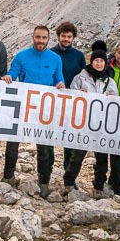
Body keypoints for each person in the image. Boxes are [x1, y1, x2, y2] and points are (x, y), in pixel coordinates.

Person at [1, 25, 65, 197]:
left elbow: (59, 78)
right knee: (12, 142)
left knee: (43, 147)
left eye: (44, 38)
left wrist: (60, 84)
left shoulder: (55, 59)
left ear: (48, 39)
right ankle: (8, 176)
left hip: (43, 110)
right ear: (33, 37)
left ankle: (43, 182)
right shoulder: (21, 56)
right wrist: (8, 77)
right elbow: (12, 73)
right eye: (38, 37)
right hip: (23, 107)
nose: (41, 41)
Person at [62, 41, 116, 198]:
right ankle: (69, 182)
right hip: (84, 122)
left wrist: (113, 98)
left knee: (101, 158)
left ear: (105, 63)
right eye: (96, 60)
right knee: (78, 155)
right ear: (91, 62)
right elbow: (71, 94)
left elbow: (117, 102)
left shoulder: (110, 82)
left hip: (102, 125)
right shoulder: (80, 78)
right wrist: (78, 92)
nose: (99, 63)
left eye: (101, 61)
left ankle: (98, 186)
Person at [51, 21, 87, 173]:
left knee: (70, 137)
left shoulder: (79, 56)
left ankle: (69, 173)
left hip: (72, 102)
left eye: (69, 36)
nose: (66, 39)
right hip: (53, 100)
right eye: (63, 36)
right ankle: (47, 170)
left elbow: (84, 76)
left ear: (73, 38)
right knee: (49, 136)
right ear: (58, 36)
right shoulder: (51, 53)